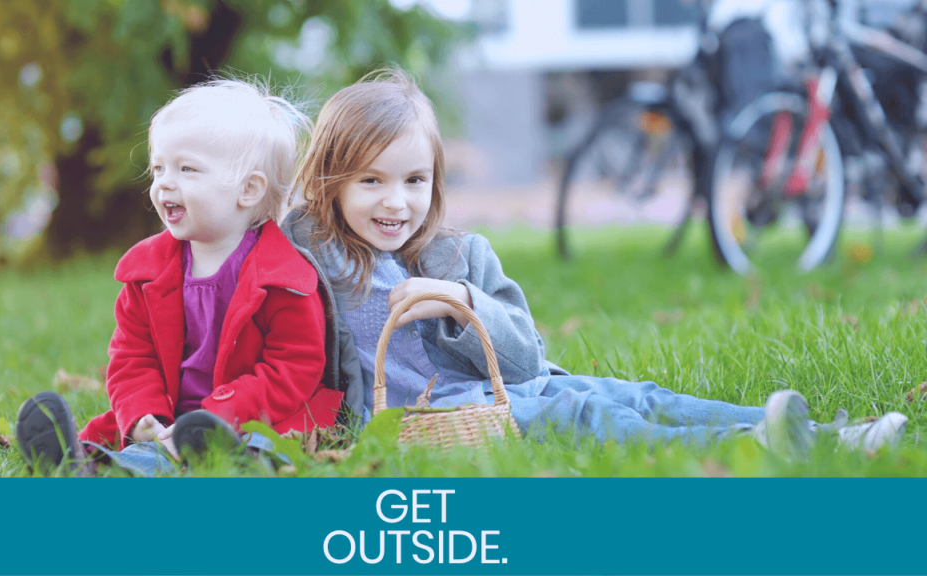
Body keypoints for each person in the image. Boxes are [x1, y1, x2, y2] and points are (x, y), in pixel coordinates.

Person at [281, 69, 908, 460]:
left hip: (505, 389)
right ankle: (755, 445)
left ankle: (828, 434)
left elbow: (526, 359)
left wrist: (464, 304)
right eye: (370, 180)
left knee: (630, 394)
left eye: (415, 179)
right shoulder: (312, 252)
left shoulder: (459, 255)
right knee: (584, 416)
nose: (397, 202)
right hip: (424, 420)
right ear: (332, 182)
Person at [15, 78, 344, 476]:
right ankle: (81, 465)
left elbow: (294, 366)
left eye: (187, 169)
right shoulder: (147, 273)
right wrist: (143, 415)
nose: (164, 183)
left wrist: (225, 412)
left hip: (253, 415)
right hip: (170, 412)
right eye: (158, 168)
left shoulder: (284, 278)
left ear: (249, 190)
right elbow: (132, 356)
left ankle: (227, 458)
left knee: (263, 444)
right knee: (148, 447)